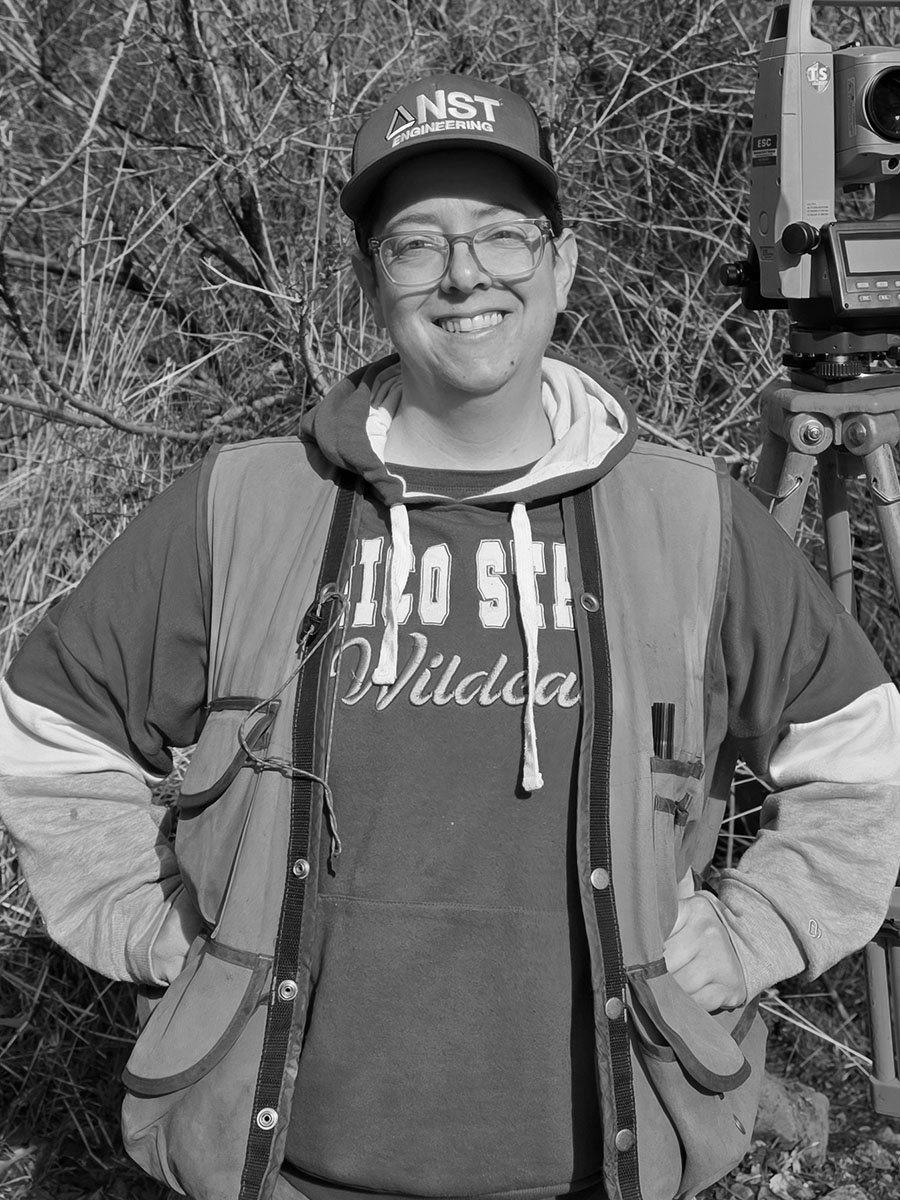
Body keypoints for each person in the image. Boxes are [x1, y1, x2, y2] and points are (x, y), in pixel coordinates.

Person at [1, 71, 899, 1200]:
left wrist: (756, 929)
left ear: (561, 266)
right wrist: (164, 934)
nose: (466, 272)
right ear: (374, 281)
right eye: (416, 243)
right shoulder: (244, 506)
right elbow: (51, 725)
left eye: (503, 237)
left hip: (608, 1166)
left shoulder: (690, 519)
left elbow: (862, 752)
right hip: (279, 1166)